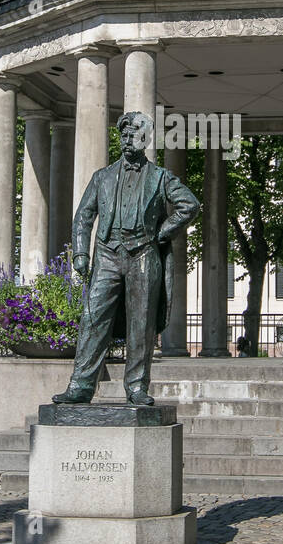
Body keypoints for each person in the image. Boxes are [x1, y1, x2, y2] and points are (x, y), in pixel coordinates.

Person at [53, 112, 199, 406]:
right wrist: (81, 253)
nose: (127, 140)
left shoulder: (160, 177)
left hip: (143, 254)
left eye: (133, 135)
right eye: (124, 135)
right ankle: (81, 385)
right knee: (93, 318)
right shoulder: (102, 177)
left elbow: (190, 204)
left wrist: (163, 231)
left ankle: (135, 387)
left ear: (145, 139)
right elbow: (83, 217)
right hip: (107, 253)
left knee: (141, 324)